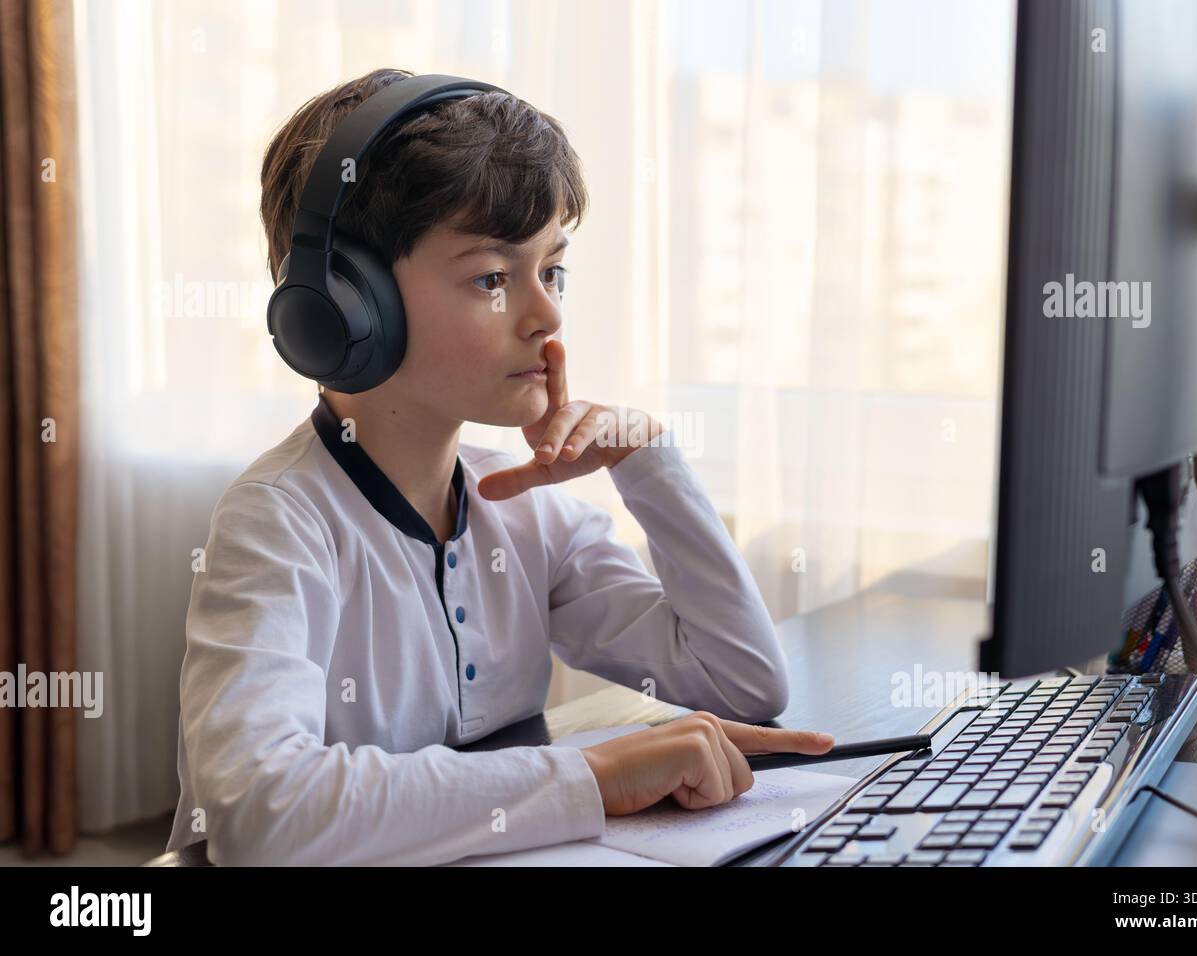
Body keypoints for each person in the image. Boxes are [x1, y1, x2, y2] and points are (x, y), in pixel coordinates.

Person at [166, 68, 833, 866]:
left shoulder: (522, 508)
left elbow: (741, 685)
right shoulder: (278, 524)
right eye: (492, 278)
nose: (546, 314)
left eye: (552, 270)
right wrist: (589, 776)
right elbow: (262, 812)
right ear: (346, 308)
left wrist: (649, 461)